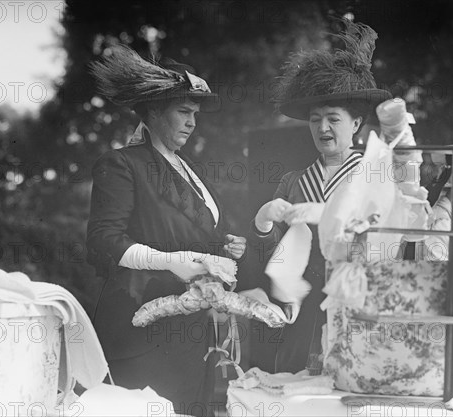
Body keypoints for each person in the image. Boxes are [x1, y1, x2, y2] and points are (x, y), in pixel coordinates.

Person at [86, 45, 246, 416]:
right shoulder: (123, 164)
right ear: (154, 111)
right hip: (141, 327)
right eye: (184, 112)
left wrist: (224, 246)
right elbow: (102, 241)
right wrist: (171, 261)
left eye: (195, 114)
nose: (192, 122)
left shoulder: (190, 170)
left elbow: (189, 232)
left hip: (192, 328)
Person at [248, 19, 392, 374]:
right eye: (315, 120)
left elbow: (390, 241)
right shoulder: (293, 181)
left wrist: (327, 215)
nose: (323, 129)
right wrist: (263, 221)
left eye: (333, 119)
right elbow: (272, 257)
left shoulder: (373, 175)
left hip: (355, 302)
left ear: (356, 124)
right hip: (302, 308)